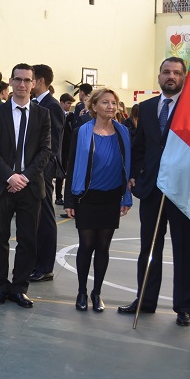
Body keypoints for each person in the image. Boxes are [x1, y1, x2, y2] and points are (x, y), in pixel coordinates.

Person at [118, 58, 190, 326]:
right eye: (166, 72)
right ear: (159, 76)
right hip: (152, 189)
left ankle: (185, 307)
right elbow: (140, 147)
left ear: (185, 77)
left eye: (176, 73)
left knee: (184, 250)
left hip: (181, 190)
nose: (171, 76)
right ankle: (145, 300)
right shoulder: (147, 108)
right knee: (149, 248)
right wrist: (134, 174)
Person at [0, 63, 51, 308]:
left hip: (30, 188)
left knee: (28, 240)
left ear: (34, 84)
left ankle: (20, 288)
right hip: (1, 185)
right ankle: (0, 287)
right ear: (10, 82)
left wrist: (24, 178)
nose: (22, 84)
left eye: (27, 80)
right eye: (18, 79)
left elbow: (45, 151)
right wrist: (10, 176)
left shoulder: (43, 114)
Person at [64, 89, 132, 312]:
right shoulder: (81, 132)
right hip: (86, 196)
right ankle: (82, 291)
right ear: (94, 106)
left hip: (111, 197)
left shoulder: (123, 132)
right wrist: (69, 201)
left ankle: (97, 293)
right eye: (105, 102)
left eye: (114, 103)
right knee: (86, 246)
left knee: (103, 247)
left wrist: (125, 195)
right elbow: (71, 166)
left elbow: (126, 166)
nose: (111, 106)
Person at [29, 64, 66, 284]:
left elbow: (52, 144)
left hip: (42, 170)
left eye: (30, 80)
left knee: (44, 217)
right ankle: (35, 262)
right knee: (34, 217)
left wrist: (38, 168)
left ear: (40, 81)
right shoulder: (35, 104)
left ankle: (45, 266)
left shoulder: (51, 106)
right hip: (32, 169)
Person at [55, 92, 76, 206]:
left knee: (63, 172)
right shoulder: (58, 114)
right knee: (60, 173)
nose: (69, 106)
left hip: (66, 148)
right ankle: (58, 196)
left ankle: (59, 195)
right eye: (68, 103)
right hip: (60, 147)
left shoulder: (70, 116)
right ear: (61, 103)